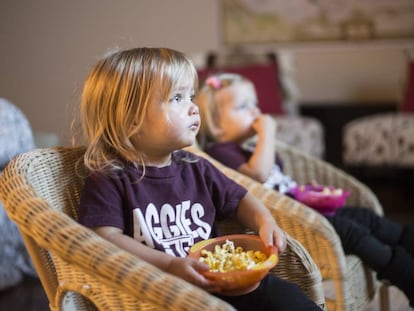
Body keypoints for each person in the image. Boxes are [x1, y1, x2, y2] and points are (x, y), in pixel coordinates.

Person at [76, 47, 322, 311]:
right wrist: (170, 265)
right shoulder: (110, 178)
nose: (193, 108)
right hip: (162, 296)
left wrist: (265, 222)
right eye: (177, 98)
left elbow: (241, 199)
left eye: (190, 96)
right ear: (131, 118)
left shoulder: (196, 167)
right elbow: (104, 239)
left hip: (225, 282)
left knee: (284, 296)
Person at [195, 72, 414, 308]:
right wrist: (267, 134)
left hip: (307, 209)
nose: (255, 111)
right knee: (353, 232)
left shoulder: (248, 147)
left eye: (255, 103)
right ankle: (405, 275)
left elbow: (280, 182)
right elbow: (257, 175)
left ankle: (407, 240)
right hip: (296, 224)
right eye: (243, 107)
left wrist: (309, 191)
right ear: (216, 125)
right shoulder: (221, 151)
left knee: (366, 217)